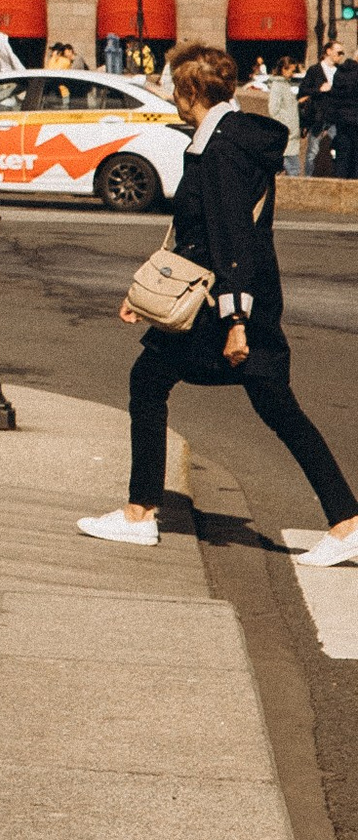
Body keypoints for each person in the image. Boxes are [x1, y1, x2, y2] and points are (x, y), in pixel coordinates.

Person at [79, 43, 358, 563]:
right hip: (233, 297)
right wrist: (149, 295)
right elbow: (208, 234)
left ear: (191, 92)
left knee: (158, 384)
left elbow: (232, 239)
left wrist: (236, 321)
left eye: (174, 87)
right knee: (267, 404)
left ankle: (141, 514)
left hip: (222, 305)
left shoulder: (222, 151)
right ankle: (346, 521)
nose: (171, 95)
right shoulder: (230, 139)